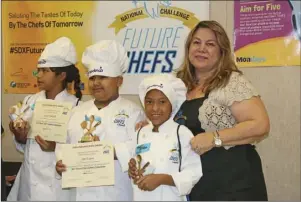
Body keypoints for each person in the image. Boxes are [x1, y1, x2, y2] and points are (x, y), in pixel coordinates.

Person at [131, 20, 270, 201]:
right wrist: (150, 127)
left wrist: (214, 138)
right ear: (188, 48)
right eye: (196, 42)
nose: (201, 49)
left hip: (235, 184)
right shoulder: (176, 85)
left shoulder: (231, 82)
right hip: (194, 186)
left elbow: (260, 125)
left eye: (210, 44)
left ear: (222, 51)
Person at [55, 40, 145, 201]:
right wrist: (60, 163)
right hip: (79, 195)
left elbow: (141, 147)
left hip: (117, 194)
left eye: (103, 77)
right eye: (92, 77)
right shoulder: (77, 112)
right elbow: (63, 145)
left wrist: (112, 152)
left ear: (119, 81)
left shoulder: (134, 112)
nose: (96, 82)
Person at [7, 36, 82, 201]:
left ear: (61, 75)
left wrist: (55, 147)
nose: (39, 75)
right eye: (38, 70)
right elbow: (25, 148)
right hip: (28, 187)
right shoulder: (30, 102)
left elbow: (79, 154)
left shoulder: (77, 108)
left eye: (45, 71)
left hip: (57, 189)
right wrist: (20, 136)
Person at [120, 74, 202, 201]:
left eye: (162, 102)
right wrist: (133, 169)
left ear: (172, 105)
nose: (155, 108)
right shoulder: (139, 133)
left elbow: (194, 172)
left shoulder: (182, 133)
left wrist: (163, 179)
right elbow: (135, 162)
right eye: (149, 102)